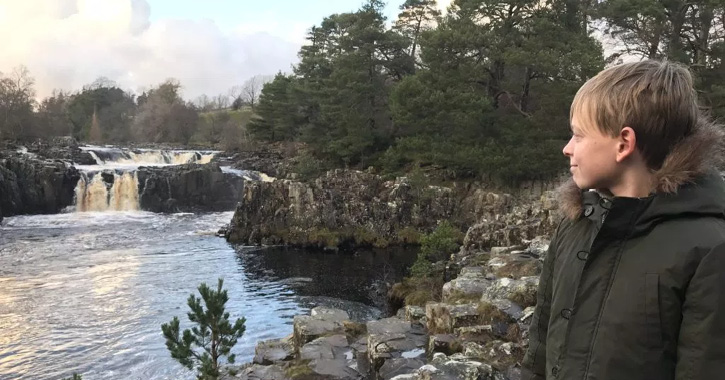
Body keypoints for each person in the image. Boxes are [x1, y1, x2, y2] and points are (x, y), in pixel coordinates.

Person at [522, 59, 725, 380]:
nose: (566, 148)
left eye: (578, 135)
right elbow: (542, 336)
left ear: (623, 143)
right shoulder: (576, 222)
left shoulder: (709, 248)